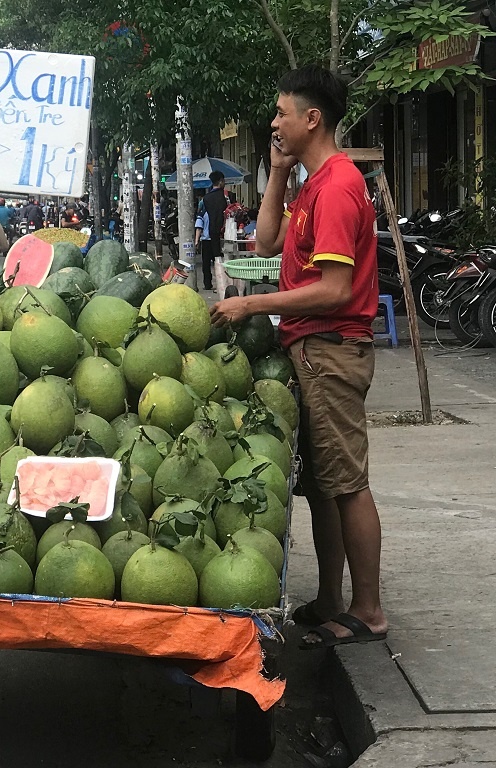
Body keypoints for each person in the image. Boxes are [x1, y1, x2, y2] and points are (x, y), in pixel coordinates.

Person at [210, 65, 385, 650]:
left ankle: (368, 609)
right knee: (324, 485)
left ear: (312, 119)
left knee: (348, 483)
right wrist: (279, 174)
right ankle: (332, 600)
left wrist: (252, 304)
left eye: (282, 112)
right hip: (310, 349)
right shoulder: (313, 183)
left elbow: (335, 289)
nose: (274, 121)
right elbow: (266, 243)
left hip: (332, 351)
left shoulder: (337, 186)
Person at [200, 171, 229, 291]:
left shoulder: (206, 199)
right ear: (221, 181)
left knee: (206, 262)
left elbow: (200, 215)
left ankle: (207, 283)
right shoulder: (226, 196)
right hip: (223, 232)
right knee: (220, 259)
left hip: (209, 232)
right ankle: (222, 283)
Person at [194, 201, 211, 290]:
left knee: (206, 264)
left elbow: (199, 228)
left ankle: (208, 284)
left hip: (206, 241)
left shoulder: (202, 213)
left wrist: (196, 241)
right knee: (218, 262)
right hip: (217, 240)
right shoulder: (216, 211)